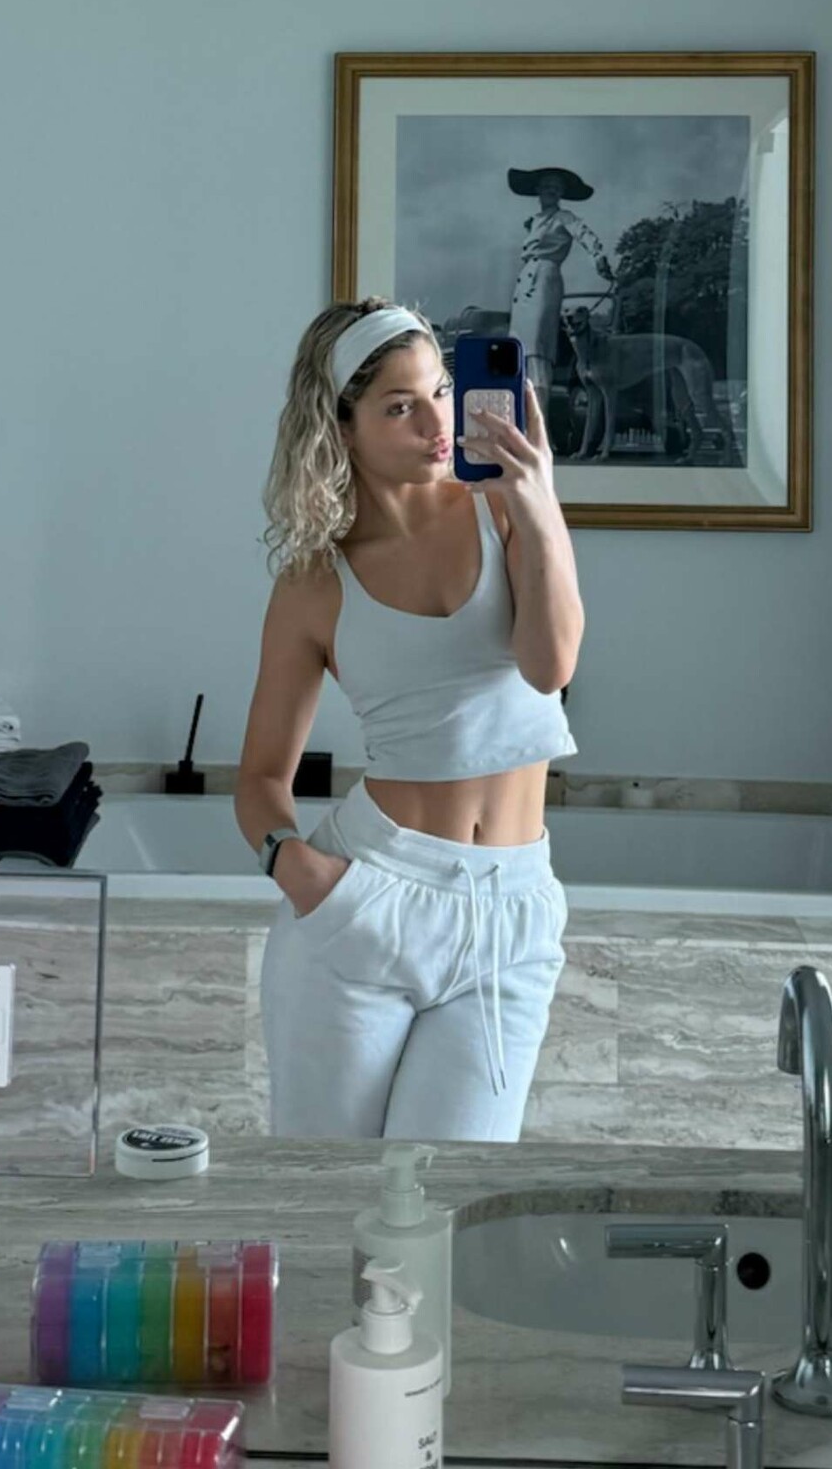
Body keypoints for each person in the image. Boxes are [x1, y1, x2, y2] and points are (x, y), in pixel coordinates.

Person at [236, 296, 584, 1141]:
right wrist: (299, 870)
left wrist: (539, 504)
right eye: (399, 407)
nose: (436, 424)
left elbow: (550, 667)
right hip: (369, 900)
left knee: (448, 1205)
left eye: (439, 392)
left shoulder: (505, 508)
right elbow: (261, 778)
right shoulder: (316, 582)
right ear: (341, 427)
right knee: (328, 1198)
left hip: (513, 911)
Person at [507, 166, 614, 416]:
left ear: (561, 193)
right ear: (538, 190)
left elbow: (584, 234)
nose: (551, 191)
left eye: (556, 188)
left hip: (545, 278)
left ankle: (539, 422)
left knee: (538, 350)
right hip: (524, 285)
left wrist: (598, 257)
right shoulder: (534, 222)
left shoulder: (564, 217)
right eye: (547, 186)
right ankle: (521, 416)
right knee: (520, 350)